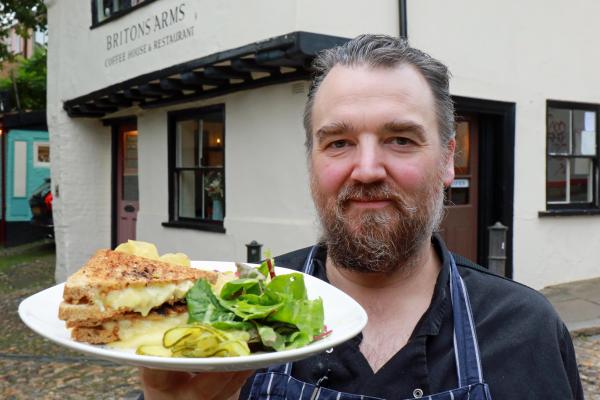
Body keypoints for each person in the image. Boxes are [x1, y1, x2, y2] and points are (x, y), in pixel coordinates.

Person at [140, 34, 583, 400]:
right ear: (312, 161)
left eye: (401, 139)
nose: (368, 169)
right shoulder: (226, 317)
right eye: (338, 142)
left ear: (449, 160)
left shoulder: (527, 329)